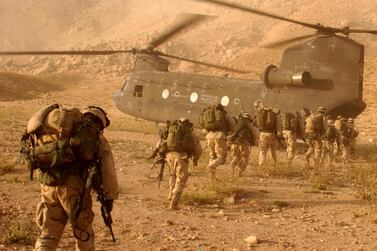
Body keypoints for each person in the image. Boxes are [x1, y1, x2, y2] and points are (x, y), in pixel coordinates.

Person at [26, 105, 119, 251]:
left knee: (48, 234)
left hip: (49, 184)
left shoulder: (57, 130)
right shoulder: (94, 137)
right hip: (74, 190)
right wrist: (109, 199)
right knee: (84, 234)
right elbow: (108, 171)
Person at [165, 117, 202, 210]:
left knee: (172, 176)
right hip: (181, 158)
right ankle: (174, 202)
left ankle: (170, 196)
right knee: (181, 180)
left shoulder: (171, 129)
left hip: (169, 156)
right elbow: (198, 149)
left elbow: (162, 142)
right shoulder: (190, 133)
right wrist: (196, 159)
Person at [200, 104, 233, 179]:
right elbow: (232, 125)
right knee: (221, 157)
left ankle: (211, 177)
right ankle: (211, 166)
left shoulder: (208, 115)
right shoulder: (224, 114)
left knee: (212, 156)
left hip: (209, 136)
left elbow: (203, 128)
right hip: (220, 136)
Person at [227, 112, 255, 176]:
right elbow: (254, 133)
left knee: (236, 157)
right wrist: (253, 141)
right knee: (245, 158)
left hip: (234, 143)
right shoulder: (248, 123)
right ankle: (240, 171)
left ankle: (232, 169)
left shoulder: (236, 123)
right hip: (244, 143)